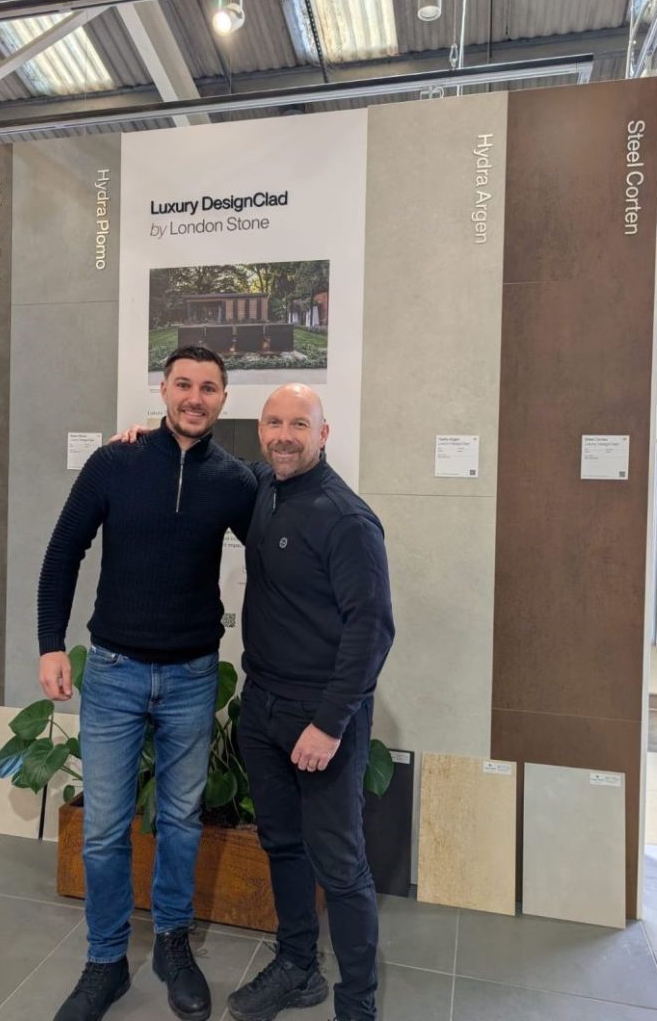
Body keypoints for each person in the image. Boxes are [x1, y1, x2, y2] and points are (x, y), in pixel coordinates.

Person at [37, 346, 257, 1021]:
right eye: (184, 384)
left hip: (193, 676)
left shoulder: (234, 481)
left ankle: (170, 942)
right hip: (112, 673)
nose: (195, 397)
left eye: (209, 388)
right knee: (103, 829)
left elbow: (279, 553)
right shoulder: (115, 463)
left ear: (223, 400)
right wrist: (51, 645)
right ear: (164, 390)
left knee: (181, 822)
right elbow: (63, 550)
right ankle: (105, 961)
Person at [228, 383, 395, 1021]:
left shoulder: (345, 518)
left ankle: (357, 1004)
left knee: (341, 863)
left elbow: (371, 630)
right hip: (263, 706)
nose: (284, 435)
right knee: (282, 844)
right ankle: (298, 968)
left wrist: (328, 725)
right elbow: (207, 458)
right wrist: (144, 434)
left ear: (323, 434)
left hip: (322, 720)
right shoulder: (265, 488)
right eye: (274, 422)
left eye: (300, 424)